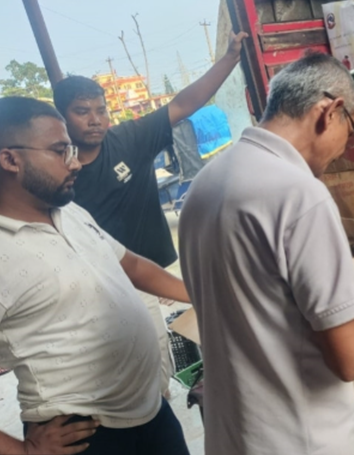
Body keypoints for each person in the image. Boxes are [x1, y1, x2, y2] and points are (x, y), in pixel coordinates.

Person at [178, 53, 354, 455]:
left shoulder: (203, 185)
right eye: (351, 131)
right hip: (298, 441)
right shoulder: (300, 195)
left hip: (230, 436)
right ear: (330, 112)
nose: (345, 149)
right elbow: (351, 360)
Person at [52, 31, 248, 394]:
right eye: (82, 111)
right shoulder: (52, 170)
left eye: (101, 110)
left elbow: (184, 103)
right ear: (61, 118)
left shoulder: (130, 139)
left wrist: (229, 59)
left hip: (140, 280)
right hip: (86, 291)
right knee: (104, 379)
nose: (95, 119)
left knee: (155, 370)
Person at [0, 96, 191, 455]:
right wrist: (22, 451)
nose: (75, 163)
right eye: (60, 151)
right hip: (84, 436)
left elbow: (130, 265)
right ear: (10, 159)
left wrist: (200, 295)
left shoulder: (69, 211)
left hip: (149, 411)